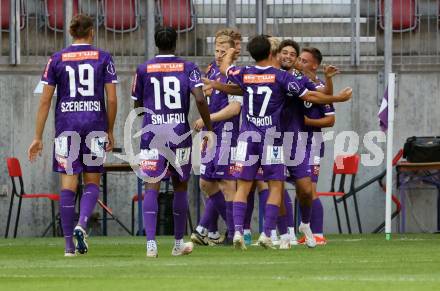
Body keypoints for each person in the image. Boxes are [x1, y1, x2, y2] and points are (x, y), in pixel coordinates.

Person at [220, 35, 352, 250]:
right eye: (284, 52)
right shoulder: (280, 77)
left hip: (290, 140)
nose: (288, 56)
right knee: (275, 187)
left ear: (297, 58)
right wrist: (338, 98)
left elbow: (318, 95)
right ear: (275, 54)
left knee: (305, 190)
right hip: (274, 139)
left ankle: (304, 226)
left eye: (293, 54)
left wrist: (329, 86)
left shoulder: (287, 77)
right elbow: (312, 96)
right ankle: (280, 233)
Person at [28, 14, 118, 256]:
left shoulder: (56, 59)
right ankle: (82, 223)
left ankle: (69, 246)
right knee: (92, 182)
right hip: (95, 126)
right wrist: (109, 130)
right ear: (91, 32)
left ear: (71, 33)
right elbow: (111, 98)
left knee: (68, 184)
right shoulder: (104, 58)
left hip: (66, 127)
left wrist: (37, 137)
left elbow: (46, 100)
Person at [131, 27, 213, 258]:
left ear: (156, 43)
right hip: (180, 135)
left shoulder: (143, 69)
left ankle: (150, 245)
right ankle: (178, 243)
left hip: (152, 135)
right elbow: (199, 98)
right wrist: (209, 127)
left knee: (151, 188)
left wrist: (148, 116)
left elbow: (136, 105)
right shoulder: (188, 68)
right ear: (176, 42)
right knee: (180, 187)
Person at [190, 35, 242, 246]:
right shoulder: (212, 71)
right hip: (212, 135)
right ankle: (223, 229)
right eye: (217, 50)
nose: (219, 55)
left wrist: (206, 120)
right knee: (206, 183)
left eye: (223, 51)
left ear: (232, 52)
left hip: (229, 134)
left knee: (228, 183)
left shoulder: (234, 74)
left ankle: (232, 234)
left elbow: (235, 108)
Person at [296, 47, 339, 245]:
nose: (300, 63)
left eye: (305, 61)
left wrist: (306, 121)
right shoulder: (295, 84)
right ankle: (298, 232)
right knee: (297, 189)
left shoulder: (319, 87)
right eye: (299, 60)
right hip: (291, 142)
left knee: (310, 190)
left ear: (315, 65)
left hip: (311, 143)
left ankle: (318, 234)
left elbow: (330, 120)